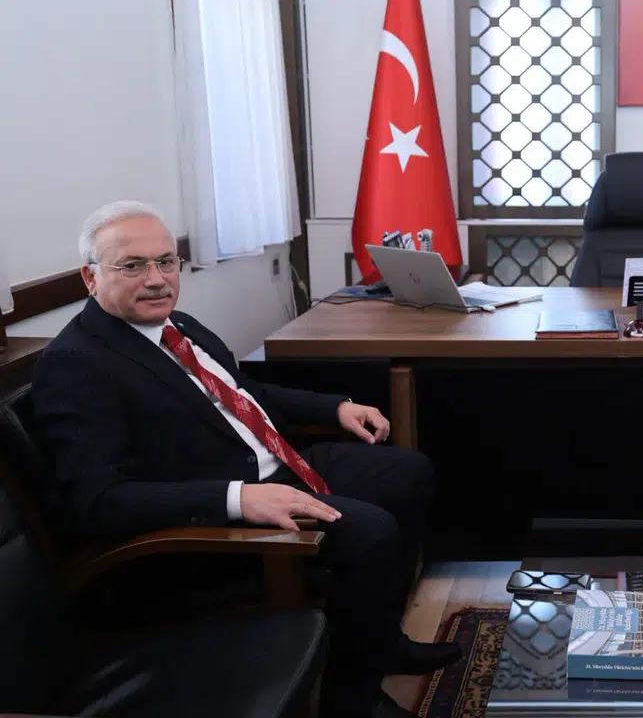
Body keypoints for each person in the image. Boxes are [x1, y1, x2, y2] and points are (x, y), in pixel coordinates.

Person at [30, 200, 458, 718]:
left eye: (165, 261)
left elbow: (244, 394)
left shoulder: (178, 325)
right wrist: (238, 499)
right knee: (371, 531)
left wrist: (335, 407)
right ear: (90, 277)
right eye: (133, 265)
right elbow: (99, 501)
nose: (157, 279)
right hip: (209, 516)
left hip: (273, 462)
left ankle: (382, 641)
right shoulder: (75, 364)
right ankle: (352, 699)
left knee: (409, 471)